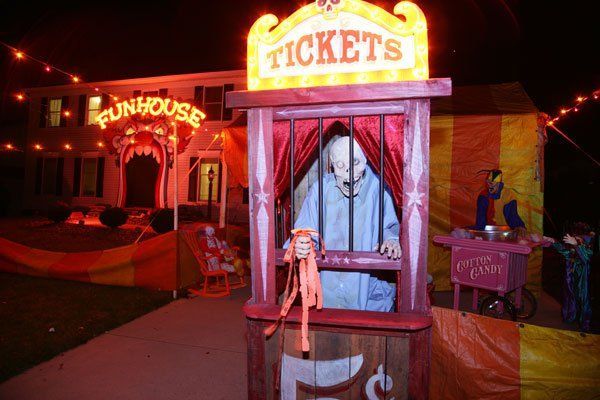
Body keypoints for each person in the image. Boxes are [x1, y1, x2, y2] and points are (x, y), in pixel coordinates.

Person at [287, 137, 401, 312]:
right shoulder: (321, 189)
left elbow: (388, 227)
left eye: (355, 162)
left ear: (365, 161)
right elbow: (304, 229)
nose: (348, 170)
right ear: (332, 166)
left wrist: (391, 240)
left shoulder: (379, 188)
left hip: (367, 295)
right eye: (340, 165)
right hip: (326, 292)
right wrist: (301, 242)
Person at [546, 222, 594, 332]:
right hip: (570, 276)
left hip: (582, 279)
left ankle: (585, 325)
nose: (575, 238)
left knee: (583, 299)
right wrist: (552, 241)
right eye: (574, 236)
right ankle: (569, 317)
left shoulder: (587, 246)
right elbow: (566, 251)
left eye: (578, 236)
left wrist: (577, 244)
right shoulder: (574, 247)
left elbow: (586, 258)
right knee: (569, 296)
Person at [474, 169, 526, 236]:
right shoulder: (483, 196)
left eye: (493, 183)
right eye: (488, 182)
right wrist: (480, 234)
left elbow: (512, 215)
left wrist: (518, 226)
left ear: (499, 184)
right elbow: (481, 219)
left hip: (505, 233)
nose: (490, 185)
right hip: (488, 232)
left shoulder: (508, 195)